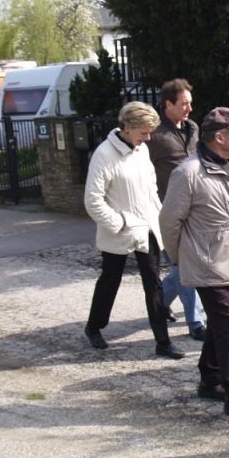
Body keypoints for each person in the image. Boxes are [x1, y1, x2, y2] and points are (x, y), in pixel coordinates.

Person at [159, 107, 229, 416]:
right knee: (228, 325)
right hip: (207, 264)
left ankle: (209, 378)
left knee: (222, 323)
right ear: (220, 137)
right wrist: (182, 258)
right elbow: (169, 222)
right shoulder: (188, 173)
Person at [83, 101, 185, 360]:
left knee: (154, 285)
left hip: (147, 228)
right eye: (144, 132)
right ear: (127, 128)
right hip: (120, 231)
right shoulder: (104, 154)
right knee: (110, 280)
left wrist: (161, 221)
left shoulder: (141, 151)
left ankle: (163, 342)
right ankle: (94, 327)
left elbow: (151, 191)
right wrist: (118, 223)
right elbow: (92, 200)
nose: (148, 138)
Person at [146, 78, 206, 342]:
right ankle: (196, 323)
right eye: (183, 104)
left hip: (195, 208)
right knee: (186, 266)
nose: (189, 109)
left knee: (184, 267)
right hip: (168, 210)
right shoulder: (155, 136)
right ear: (168, 104)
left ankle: (160, 300)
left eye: (190, 104)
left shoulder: (193, 128)